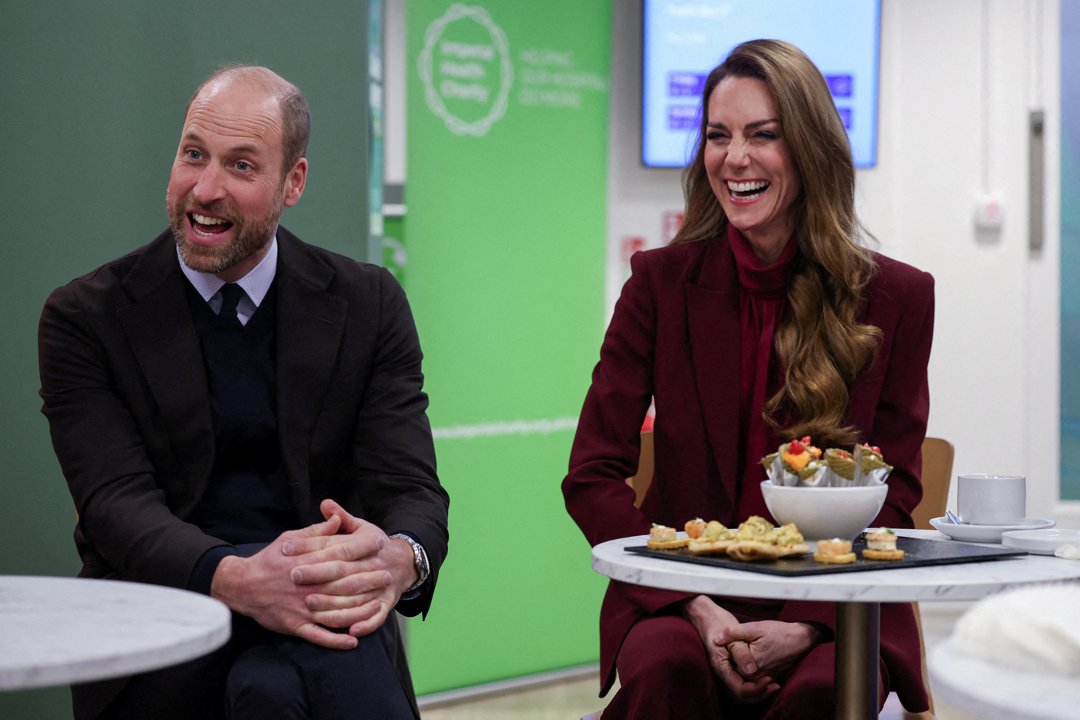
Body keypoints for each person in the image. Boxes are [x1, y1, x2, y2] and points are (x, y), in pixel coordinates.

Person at [38, 65, 449, 720]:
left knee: (291, 690)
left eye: (242, 167)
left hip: (324, 617)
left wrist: (400, 561)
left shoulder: (368, 305)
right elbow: (114, 504)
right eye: (193, 155)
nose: (205, 189)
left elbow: (411, 490)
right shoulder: (87, 318)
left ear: (294, 184)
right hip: (166, 616)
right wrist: (240, 580)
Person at [562, 40, 934, 718]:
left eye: (764, 136)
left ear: (812, 149)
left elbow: (897, 489)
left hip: (835, 599)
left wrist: (806, 621)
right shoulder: (659, 285)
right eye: (718, 135)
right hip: (681, 596)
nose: (735, 158)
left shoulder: (897, 298)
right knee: (667, 670)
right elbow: (590, 476)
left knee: (823, 691)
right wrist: (695, 606)